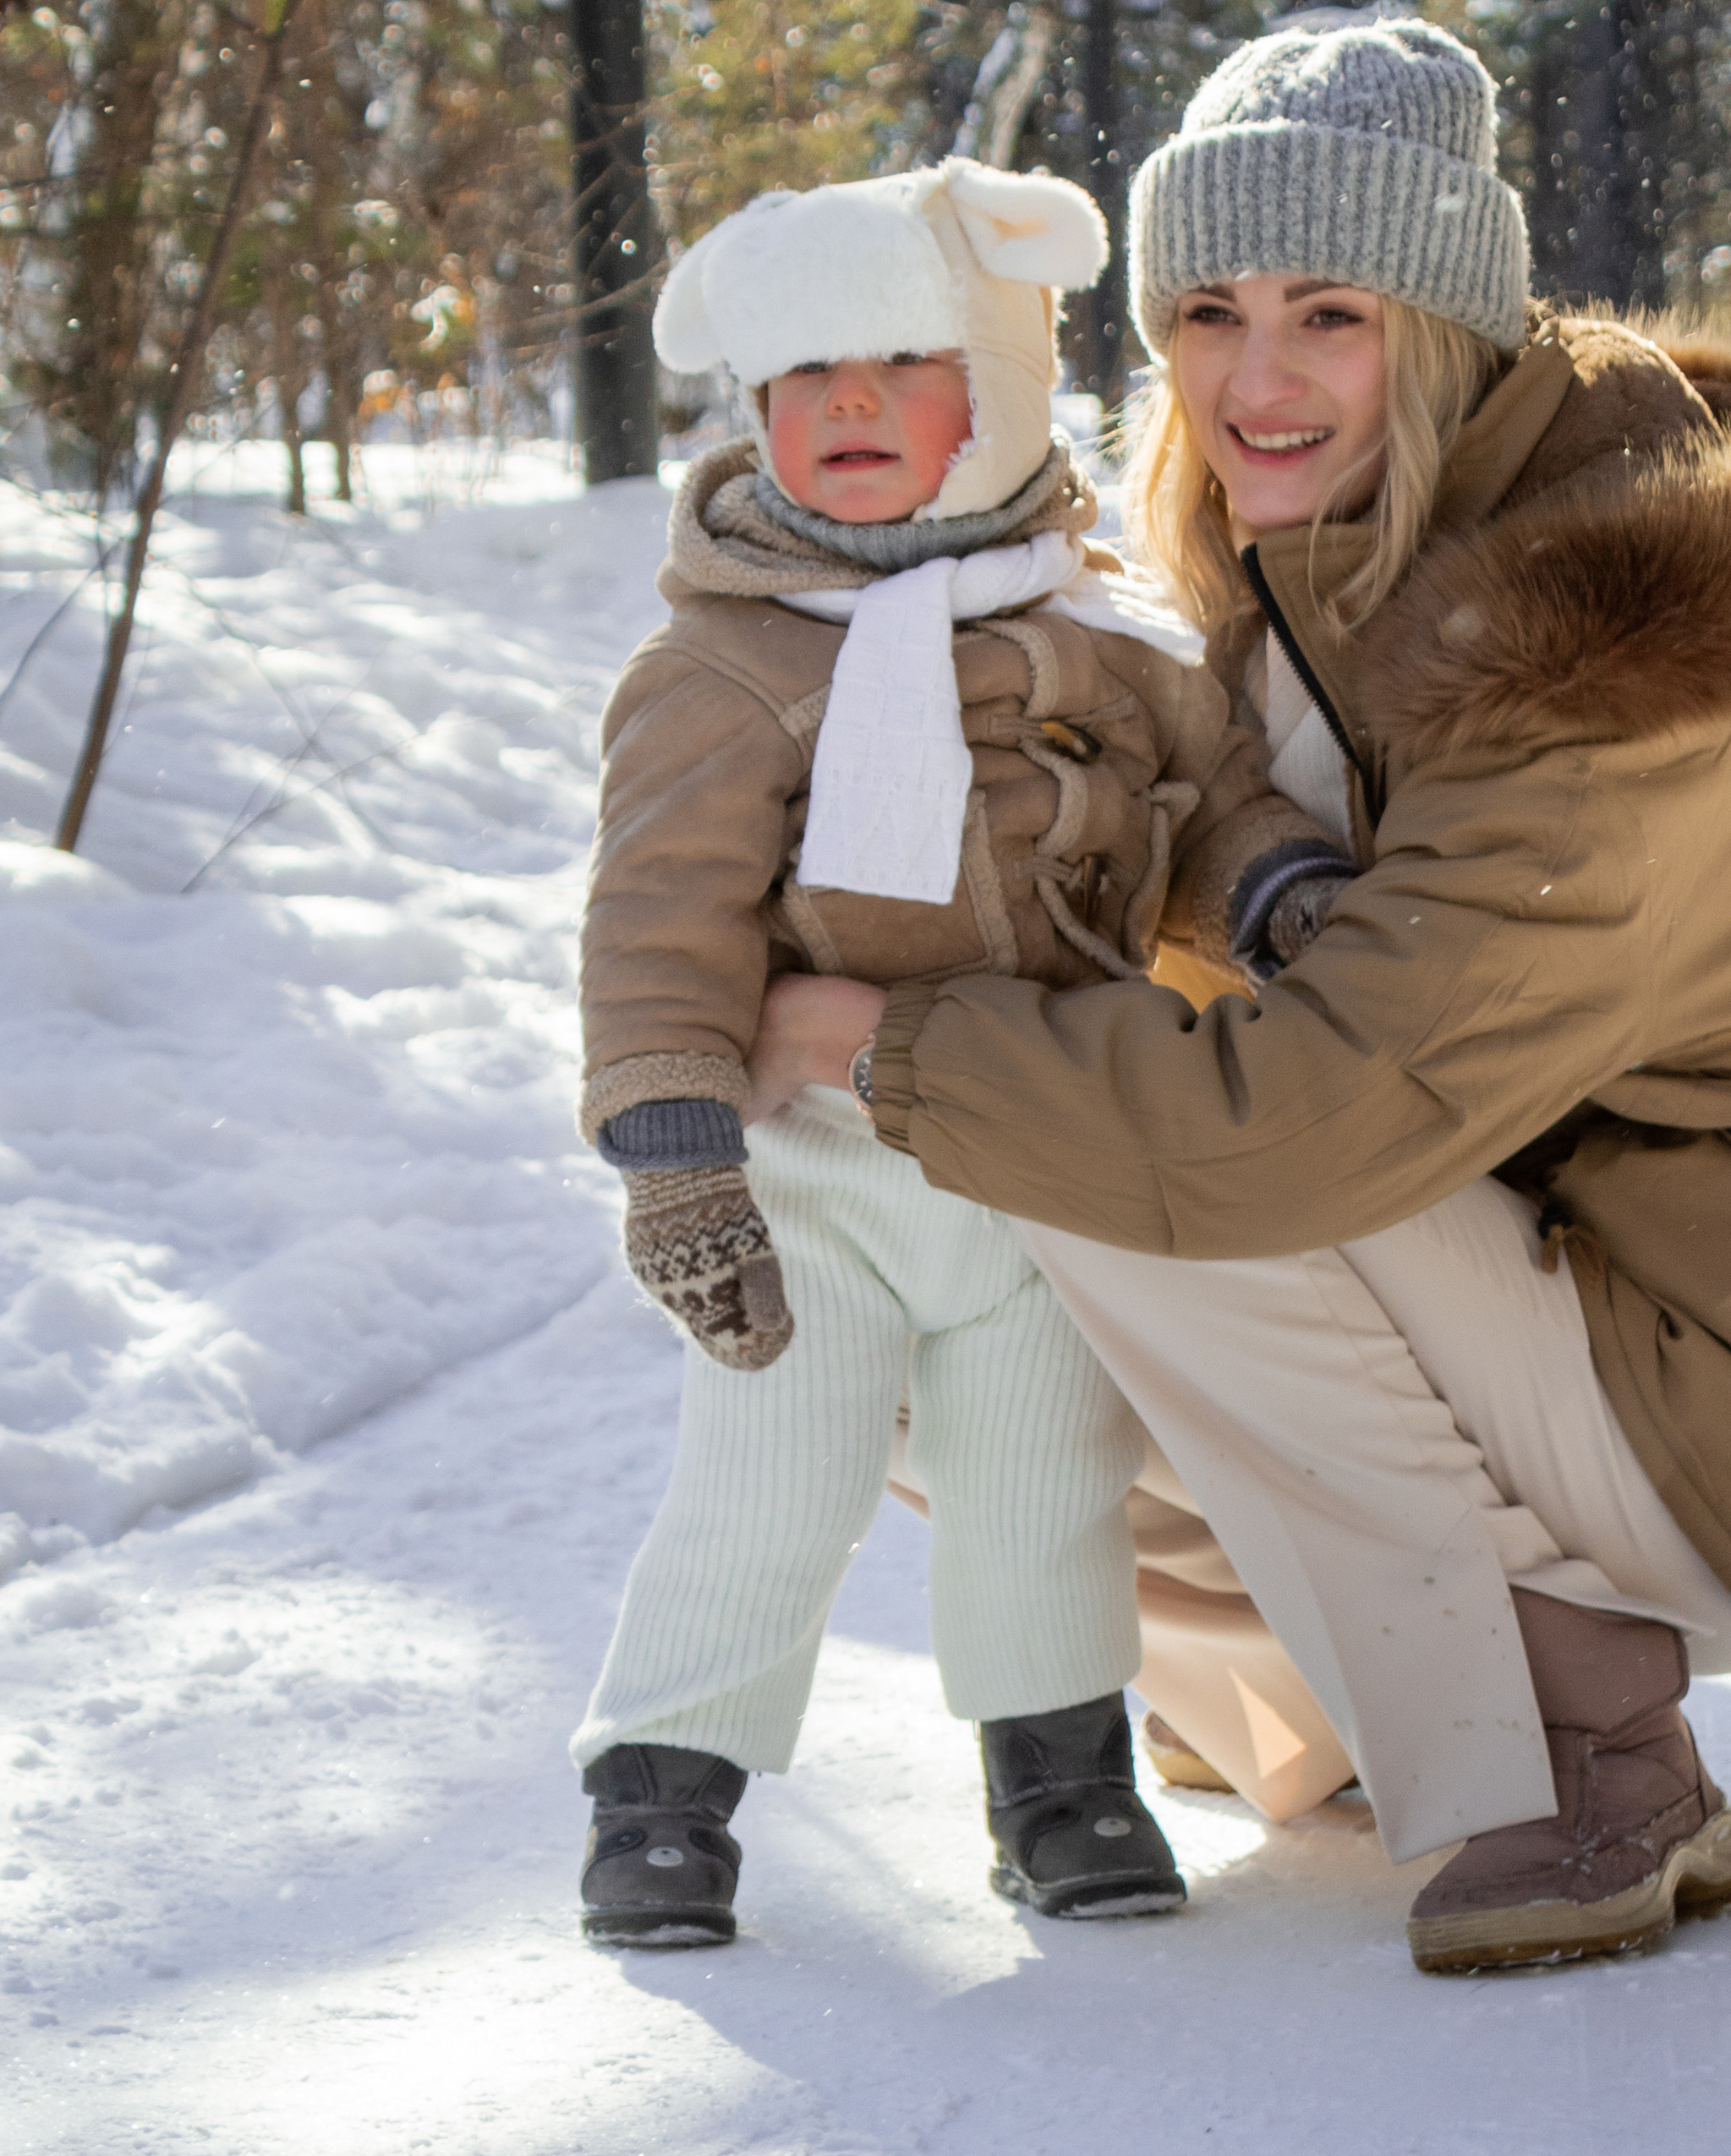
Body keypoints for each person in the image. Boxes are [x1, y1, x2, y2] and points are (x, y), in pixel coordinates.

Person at [748, 14, 1731, 1976]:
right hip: (1548, 1313)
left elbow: (1299, 1124)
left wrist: (890, 1043)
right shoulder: (1303, 596)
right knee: (880, 1274)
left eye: (1327, 311)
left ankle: (1590, 1732)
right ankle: (1319, 1698)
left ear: (1443, 325)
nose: (1253, 377)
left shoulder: (1594, 653)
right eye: (1207, 313)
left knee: (1089, 1151)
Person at [567, 161, 1345, 1945]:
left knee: (1039, 1482)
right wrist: (674, 1143)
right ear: (753, 412)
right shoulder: (723, 664)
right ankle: (660, 1787)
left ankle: (1058, 1776)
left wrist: (1277, 891)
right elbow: (656, 913)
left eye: (902, 362)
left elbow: (1206, 807)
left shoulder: (1097, 641)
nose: (843, 403)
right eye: (801, 377)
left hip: (1034, 1146)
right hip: (810, 1160)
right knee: (768, 1478)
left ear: (994, 387)